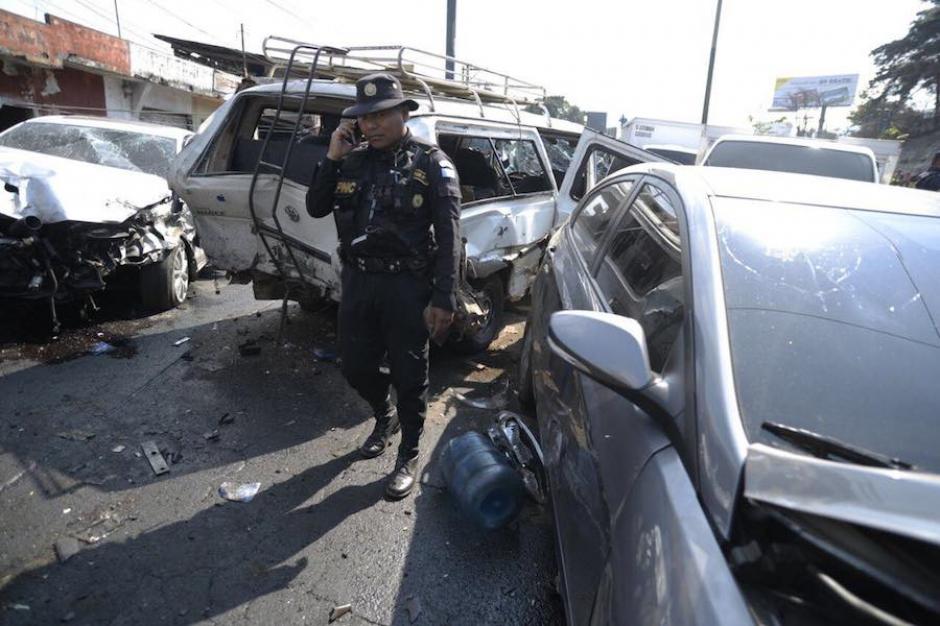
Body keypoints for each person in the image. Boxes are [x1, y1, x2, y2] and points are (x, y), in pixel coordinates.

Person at [306, 73, 461, 499]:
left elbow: (449, 236)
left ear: (403, 113)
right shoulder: (352, 161)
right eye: (364, 118)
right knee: (354, 366)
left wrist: (444, 297)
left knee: (411, 375)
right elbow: (316, 206)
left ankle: (408, 452)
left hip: (407, 287)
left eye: (380, 116)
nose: (371, 125)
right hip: (358, 282)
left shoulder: (431, 163)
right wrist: (332, 156)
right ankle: (384, 414)